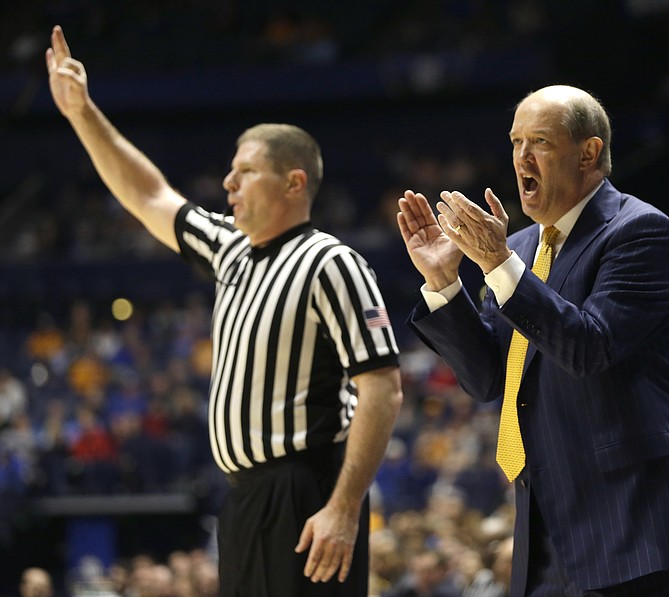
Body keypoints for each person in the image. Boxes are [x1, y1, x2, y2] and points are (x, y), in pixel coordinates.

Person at [46, 25, 403, 597]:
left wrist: (344, 506)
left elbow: (382, 389)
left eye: (245, 172)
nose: (227, 182)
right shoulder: (230, 247)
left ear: (293, 182)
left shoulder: (330, 261)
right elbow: (148, 195)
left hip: (306, 491)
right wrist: (81, 113)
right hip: (243, 495)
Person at [396, 84, 669, 596]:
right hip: (548, 530)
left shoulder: (638, 231)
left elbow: (589, 348)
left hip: (635, 524)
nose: (522, 157)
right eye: (516, 141)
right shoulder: (518, 248)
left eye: (540, 142)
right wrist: (444, 283)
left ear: (588, 152)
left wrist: (499, 265)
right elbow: (486, 380)